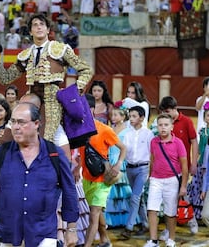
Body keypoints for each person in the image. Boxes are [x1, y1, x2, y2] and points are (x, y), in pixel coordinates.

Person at [0, 102, 79, 247]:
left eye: (21, 122)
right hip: (8, 235)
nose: (15, 127)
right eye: (13, 122)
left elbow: (69, 192)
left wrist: (71, 228)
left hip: (44, 236)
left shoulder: (54, 154)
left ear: (36, 123)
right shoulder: (2, 153)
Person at [0, 13, 92, 142]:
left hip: (53, 99)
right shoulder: (25, 55)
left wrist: (78, 88)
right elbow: (6, 78)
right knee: (10, 137)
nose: (38, 27)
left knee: (46, 138)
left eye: (42, 24)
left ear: (48, 30)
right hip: (31, 98)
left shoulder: (60, 49)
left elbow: (86, 69)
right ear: (30, 31)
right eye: (35, 25)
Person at [79, 94, 126, 247]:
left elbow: (123, 148)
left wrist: (118, 163)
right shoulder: (77, 129)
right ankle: (105, 239)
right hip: (86, 178)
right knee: (96, 213)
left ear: (92, 110)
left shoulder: (104, 129)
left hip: (102, 180)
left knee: (93, 215)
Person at [143, 114, 188, 247]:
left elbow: (184, 167)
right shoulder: (154, 142)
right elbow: (152, 159)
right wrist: (150, 177)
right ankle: (153, 240)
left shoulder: (178, 143)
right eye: (160, 125)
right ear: (157, 126)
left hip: (172, 180)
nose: (163, 128)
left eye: (166, 125)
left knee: (170, 212)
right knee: (152, 209)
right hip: (156, 180)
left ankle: (171, 239)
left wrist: (183, 186)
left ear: (171, 127)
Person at [158, 96, 199, 237]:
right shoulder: (164, 124)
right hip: (167, 169)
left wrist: (194, 163)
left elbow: (194, 142)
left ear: (175, 108)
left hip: (183, 168)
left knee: (184, 196)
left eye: (168, 111)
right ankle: (168, 229)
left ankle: (192, 220)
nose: (166, 114)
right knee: (168, 200)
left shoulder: (186, 121)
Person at [119, 106, 154, 240]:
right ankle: (145, 224)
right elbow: (125, 150)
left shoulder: (148, 134)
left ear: (142, 118)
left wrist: (151, 171)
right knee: (138, 199)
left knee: (134, 198)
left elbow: (152, 154)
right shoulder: (127, 133)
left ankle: (129, 227)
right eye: (130, 116)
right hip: (130, 168)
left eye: (134, 116)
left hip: (142, 168)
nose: (131, 119)